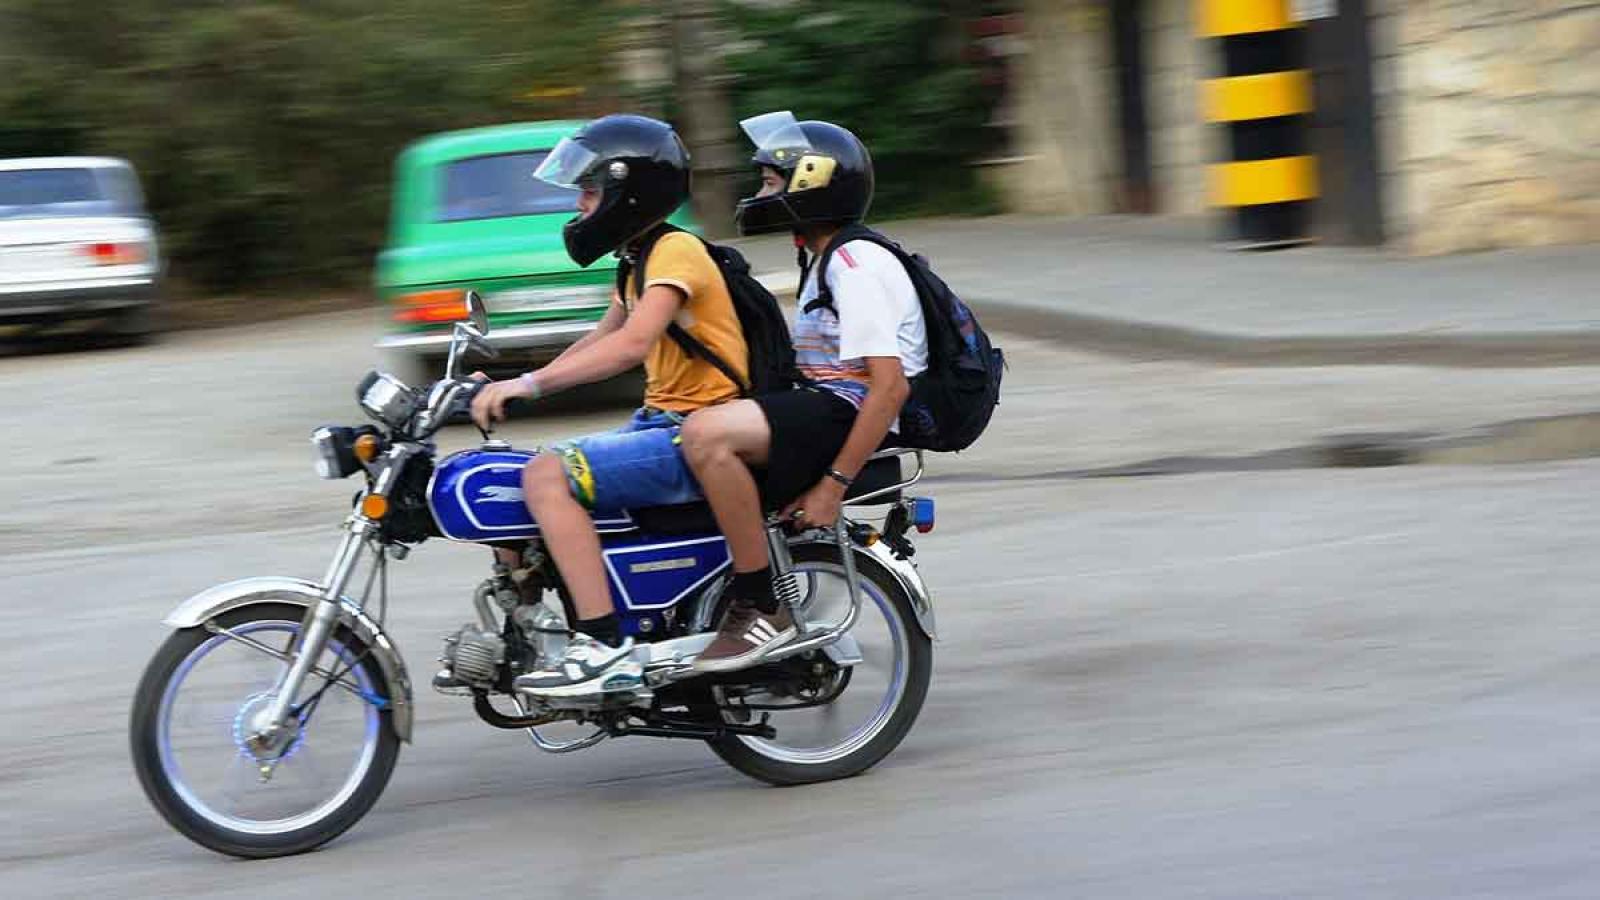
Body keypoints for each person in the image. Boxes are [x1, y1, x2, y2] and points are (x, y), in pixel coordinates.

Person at [469, 114, 749, 699]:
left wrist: (532, 387)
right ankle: (534, 624)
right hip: (661, 422)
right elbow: (600, 338)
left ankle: (602, 646)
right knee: (514, 479)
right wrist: (512, 382)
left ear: (631, 192)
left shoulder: (675, 251)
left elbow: (630, 346)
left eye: (590, 191)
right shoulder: (637, 260)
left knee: (547, 476)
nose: (579, 205)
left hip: (697, 432)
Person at [680, 112, 927, 673]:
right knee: (694, 426)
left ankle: (762, 604)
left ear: (812, 184)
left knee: (705, 436)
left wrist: (832, 487)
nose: (761, 194)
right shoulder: (828, 258)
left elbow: (888, 387)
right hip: (830, 406)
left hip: (849, 412)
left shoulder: (855, 265)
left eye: (771, 182)